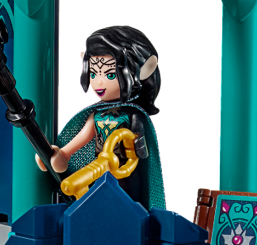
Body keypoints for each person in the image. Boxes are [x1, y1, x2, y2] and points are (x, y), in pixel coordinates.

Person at [38, 26, 165, 211]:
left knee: (126, 209)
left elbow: (142, 153)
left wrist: (134, 147)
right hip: (100, 171)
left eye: (110, 75)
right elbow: (83, 137)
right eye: (93, 73)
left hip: (126, 175)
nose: (98, 82)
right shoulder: (96, 115)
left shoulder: (133, 115)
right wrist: (63, 154)